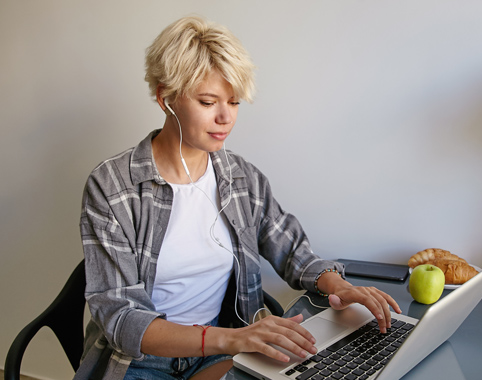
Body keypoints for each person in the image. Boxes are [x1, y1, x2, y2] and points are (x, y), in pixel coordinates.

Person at [74, 16, 401, 380]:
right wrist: (231, 340)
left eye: (233, 102)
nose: (225, 117)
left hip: (222, 349)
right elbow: (121, 318)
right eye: (207, 101)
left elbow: (293, 250)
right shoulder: (112, 186)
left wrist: (339, 286)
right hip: (141, 363)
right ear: (165, 97)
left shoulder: (241, 179)